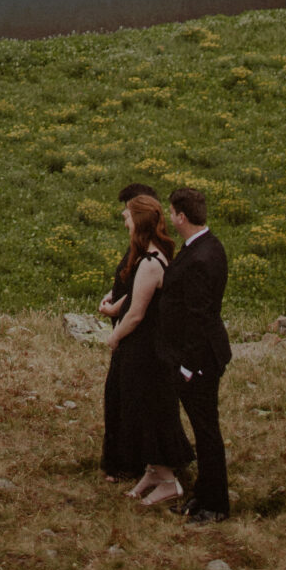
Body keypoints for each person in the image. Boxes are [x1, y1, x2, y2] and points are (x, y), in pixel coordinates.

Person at [101, 192, 193, 506]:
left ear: (138, 221)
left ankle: (167, 480)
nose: (124, 220)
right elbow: (136, 296)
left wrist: (114, 338)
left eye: (127, 216)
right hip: (150, 348)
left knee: (148, 409)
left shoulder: (151, 262)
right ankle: (154, 471)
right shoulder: (153, 258)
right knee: (142, 406)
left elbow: (138, 313)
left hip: (146, 350)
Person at [156, 186, 231, 522]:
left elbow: (199, 319)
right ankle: (203, 496)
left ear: (181, 217)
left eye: (172, 213)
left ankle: (215, 505)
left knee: (206, 432)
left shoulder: (200, 257)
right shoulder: (206, 246)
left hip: (198, 362)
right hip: (199, 357)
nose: (170, 219)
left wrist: (187, 367)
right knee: (204, 430)